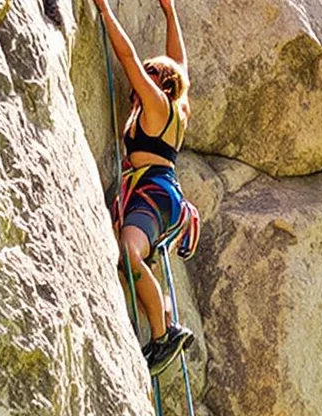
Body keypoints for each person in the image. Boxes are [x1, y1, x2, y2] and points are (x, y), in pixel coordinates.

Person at [89, 0, 198, 375]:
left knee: (128, 252)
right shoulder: (177, 110)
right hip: (162, 195)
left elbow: (128, 57)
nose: (141, 84)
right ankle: (163, 313)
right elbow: (180, 65)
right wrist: (170, 14)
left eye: (151, 76)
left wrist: (105, 12)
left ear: (160, 83)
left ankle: (164, 332)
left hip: (153, 192)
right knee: (133, 256)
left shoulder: (158, 104)